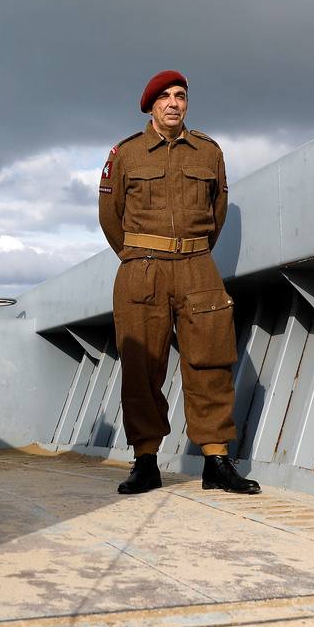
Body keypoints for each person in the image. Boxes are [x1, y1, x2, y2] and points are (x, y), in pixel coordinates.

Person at [98, 69, 260, 495]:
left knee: (210, 361)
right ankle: (146, 461)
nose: (174, 103)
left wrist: (190, 250)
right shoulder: (126, 154)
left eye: (181, 96)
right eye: (165, 97)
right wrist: (138, 255)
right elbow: (109, 217)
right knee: (142, 366)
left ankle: (216, 461)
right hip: (142, 268)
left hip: (197, 264)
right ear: (151, 105)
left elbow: (217, 212)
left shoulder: (209, 152)